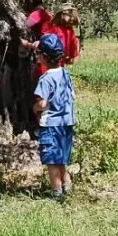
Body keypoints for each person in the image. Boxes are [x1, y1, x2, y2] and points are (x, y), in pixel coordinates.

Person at [33, 33, 76, 199]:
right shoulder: (65, 74)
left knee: (52, 160)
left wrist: (34, 107)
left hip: (51, 124)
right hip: (67, 122)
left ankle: (57, 193)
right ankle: (67, 185)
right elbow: (72, 96)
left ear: (43, 57)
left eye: (38, 53)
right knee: (61, 158)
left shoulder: (45, 79)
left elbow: (43, 104)